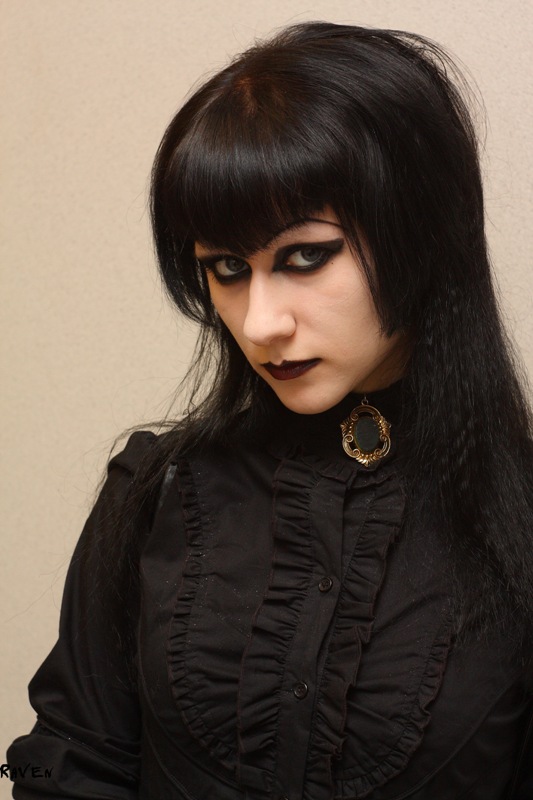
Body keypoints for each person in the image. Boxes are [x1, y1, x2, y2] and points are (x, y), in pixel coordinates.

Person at [8, 20, 533, 800]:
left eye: (304, 256)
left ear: (420, 231)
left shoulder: (516, 512)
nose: (258, 324)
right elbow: (71, 764)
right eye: (226, 267)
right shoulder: (153, 494)